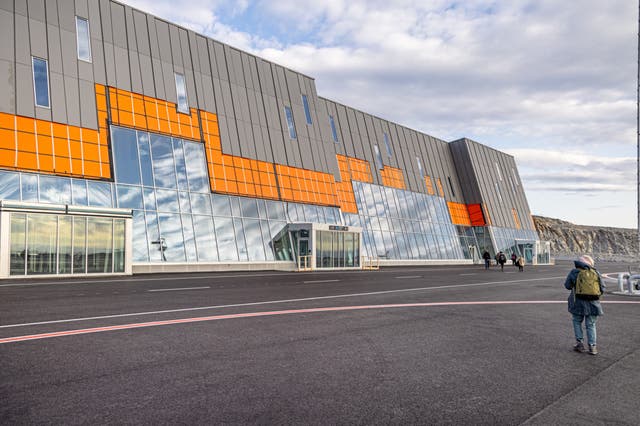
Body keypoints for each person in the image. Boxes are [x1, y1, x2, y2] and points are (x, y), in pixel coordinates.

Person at [564, 255, 604, 355]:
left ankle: (580, 344)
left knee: (577, 321)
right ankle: (592, 347)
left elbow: (567, 286)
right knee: (591, 324)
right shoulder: (596, 272)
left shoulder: (574, 272)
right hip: (593, 304)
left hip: (577, 303)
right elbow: (602, 288)